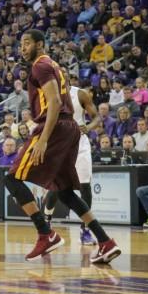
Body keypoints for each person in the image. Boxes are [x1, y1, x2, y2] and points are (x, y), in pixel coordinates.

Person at [3, 29, 121, 263]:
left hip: (55, 126)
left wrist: (44, 139)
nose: (23, 48)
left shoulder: (40, 65)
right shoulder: (54, 66)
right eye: (21, 44)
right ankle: (105, 241)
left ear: (40, 43)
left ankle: (45, 234)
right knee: (64, 192)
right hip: (70, 128)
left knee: (12, 178)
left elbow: (55, 102)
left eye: (27, 43)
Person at [42, 84, 99, 245]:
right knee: (56, 186)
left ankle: (85, 229)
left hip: (80, 144)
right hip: (59, 144)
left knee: (85, 187)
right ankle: (47, 220)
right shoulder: (47, 94)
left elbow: (96, 117)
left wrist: (88, 127)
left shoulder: (80, 94)